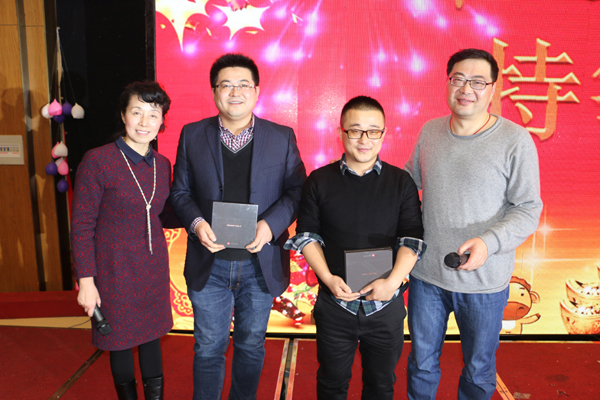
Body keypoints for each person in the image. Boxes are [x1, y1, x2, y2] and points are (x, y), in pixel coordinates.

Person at [404, 48, 543, 400]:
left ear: (493, 89)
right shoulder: (430, 131)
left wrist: (488, 242)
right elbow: (405, 187)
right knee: (421, 364)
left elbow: (528, 208)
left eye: (478, 81)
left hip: (484, 282)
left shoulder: (515, 140)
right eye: (459, 79)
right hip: (427, 277)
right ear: (448, 82)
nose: (467, 89)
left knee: (479, 370)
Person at [169, 53, 306, 400]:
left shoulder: (281, 137)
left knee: (251, 345)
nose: (235, 92)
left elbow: (297, 191)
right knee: (208, 348)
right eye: (226, 85)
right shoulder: (192, 134)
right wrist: (197, 223)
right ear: (214, 91)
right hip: (209, 264)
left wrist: (270, 226)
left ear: (256, 91)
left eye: (244, 84)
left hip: (259, 264)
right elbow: (180, 193)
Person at [285, 96, 426, 400]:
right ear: (341, 132)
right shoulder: (319, 180)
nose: (364, 139)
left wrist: (392, 283)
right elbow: (307, 235)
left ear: (384, 134)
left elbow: (412, 239)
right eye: (355, 130)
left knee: (381, 386)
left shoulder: (401, 182)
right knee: (331, 384)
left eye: (373, 131)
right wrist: (327, 278)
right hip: (335, 305)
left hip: (385, 306)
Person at [72, 81, 179, 400]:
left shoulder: (162, 164)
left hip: (152, 269)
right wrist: (86, 281)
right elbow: (81, 226)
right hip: (113, 271)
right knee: (119, 343)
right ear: (123, 115)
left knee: (152, 338)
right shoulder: (98, 160)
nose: (145, 122)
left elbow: (162, 215)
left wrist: (203, 213)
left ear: (162, 121)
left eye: (153, 114)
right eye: (137, 112)